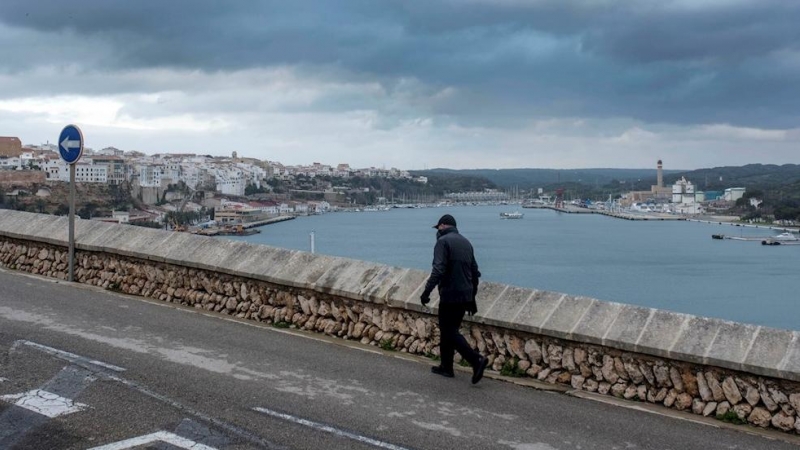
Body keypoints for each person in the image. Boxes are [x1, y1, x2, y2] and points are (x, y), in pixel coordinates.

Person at [420, 214, 489, 384]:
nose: (437, 231)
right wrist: (472, 298)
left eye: (438, 228)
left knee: (449, 330)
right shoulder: (466, 243)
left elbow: (438, 270)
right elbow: (475, 272)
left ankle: (476, 360)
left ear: (443, 226)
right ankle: (446, 367)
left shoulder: (442, 242)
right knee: (449, 329)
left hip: (450, 294)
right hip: (465, 295)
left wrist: (426, 292)